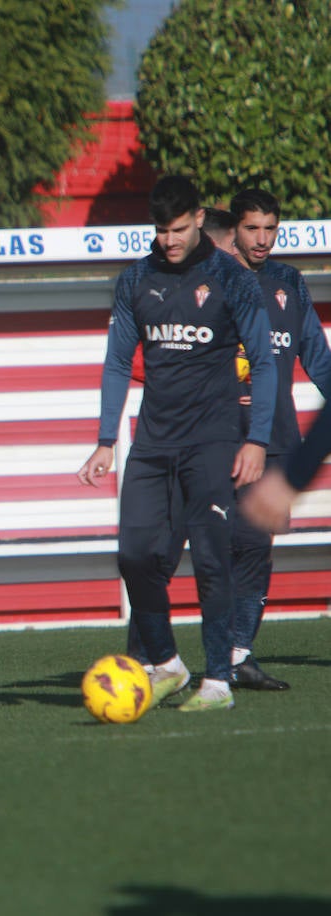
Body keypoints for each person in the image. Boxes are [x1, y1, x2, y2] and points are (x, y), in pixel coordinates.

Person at [78, 175, 275, 713]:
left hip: (212, 441)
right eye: (161, 230)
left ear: (197, 220)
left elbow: (262, 360)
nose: (169, 239)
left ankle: (217, 682)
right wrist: (103, 440)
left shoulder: (230, 278)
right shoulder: (135, 279)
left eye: (180, 229)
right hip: (153, 442)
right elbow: (119, 360)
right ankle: (166, 663)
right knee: (134, 555)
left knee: (211, 560)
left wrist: (256, 439)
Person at [218, 188, 331, 689]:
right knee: (194, 547)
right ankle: (157, 654)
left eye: (270, 229)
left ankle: (239, 654)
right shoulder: (211, 279)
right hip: (215, 436)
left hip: (275, 441)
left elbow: (317, 357)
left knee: (256, 546)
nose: (261, 239)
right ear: (234, 231)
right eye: (251, 229)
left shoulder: (288, 282)